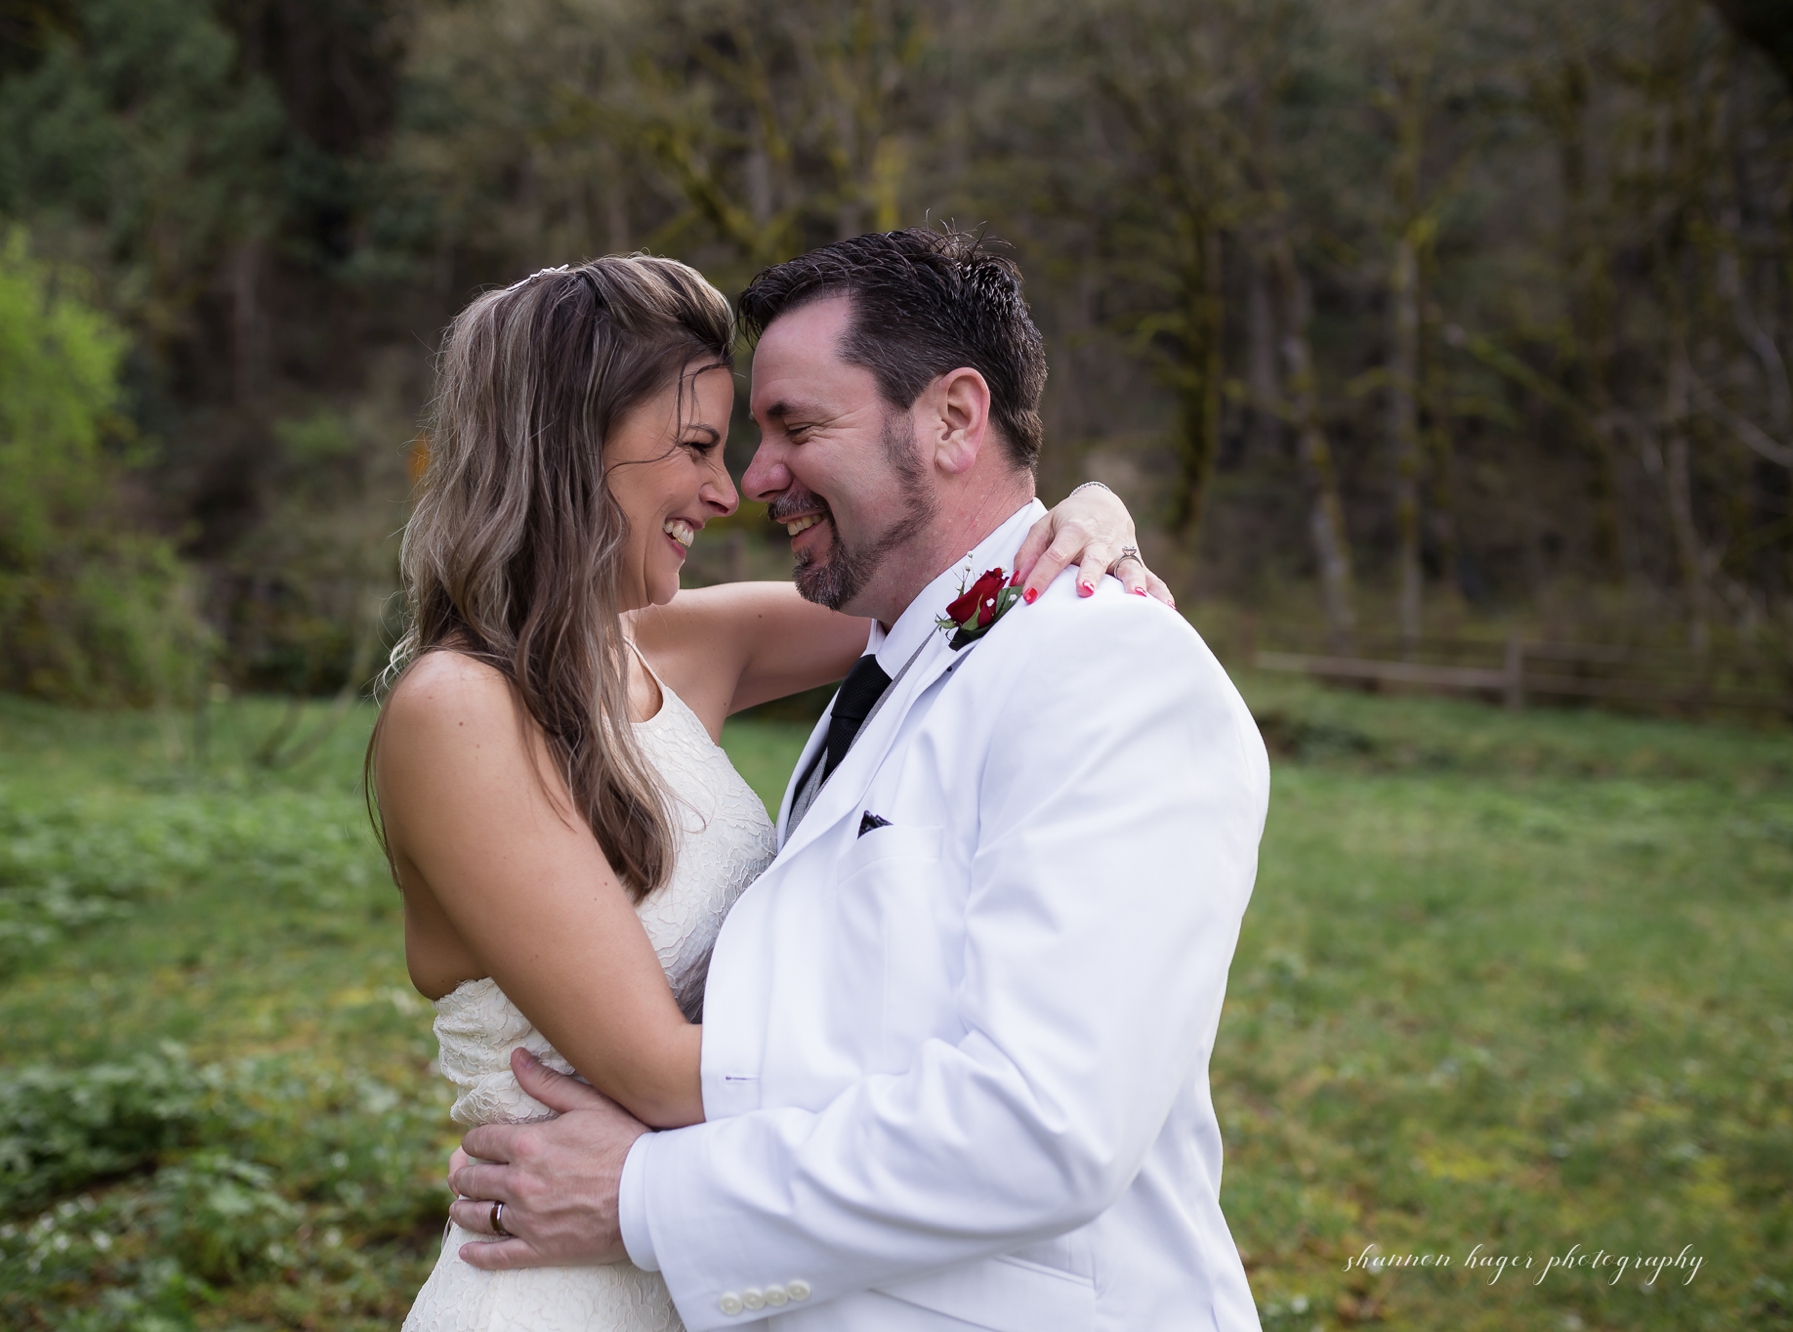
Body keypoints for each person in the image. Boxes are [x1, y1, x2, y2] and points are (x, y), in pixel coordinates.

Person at [442, 230, 1271, 1332]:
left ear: (952, 418)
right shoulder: (900, 648)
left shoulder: (1104, 663)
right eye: (731, 437)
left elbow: (1046, 1124)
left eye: (795, 425)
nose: (750, 478)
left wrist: (645, 1196)